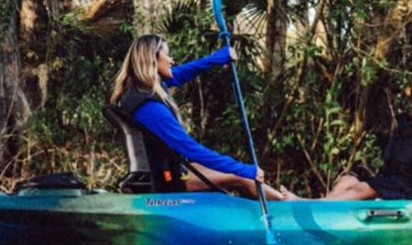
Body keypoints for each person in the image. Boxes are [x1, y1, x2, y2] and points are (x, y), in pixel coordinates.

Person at [111, 34, 283, 200]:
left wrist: (217, 58)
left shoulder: (140, 89)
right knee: (242, 177)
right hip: (166, 179)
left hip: (171, 169)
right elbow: (189, 148)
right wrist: (242, 170)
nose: (171, 60)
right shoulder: (149, 106)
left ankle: (283, 200)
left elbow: (181, 73)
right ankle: (288, 204)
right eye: (167, 55)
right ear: (152, 59)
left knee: (230, 171)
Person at [282, 78, 412, 201]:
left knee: (364, 188)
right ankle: (325, 209)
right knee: (347, 180)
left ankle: (305, 204)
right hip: (400, 180)